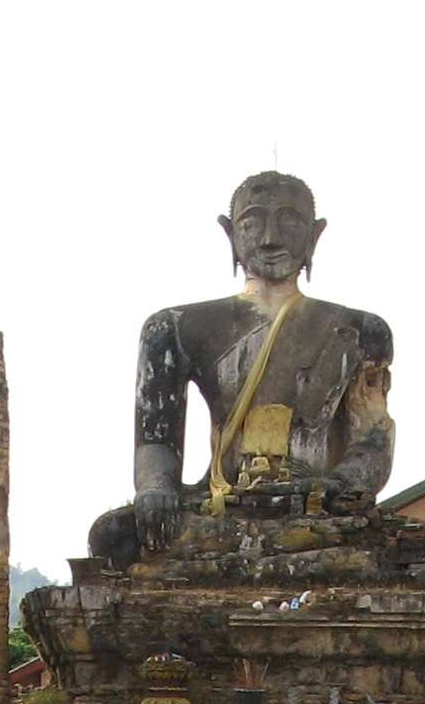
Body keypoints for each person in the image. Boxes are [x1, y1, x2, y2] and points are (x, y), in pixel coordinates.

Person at [84, 170, 395, 569]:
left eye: (289, 221)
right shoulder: (175, 327)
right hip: (224, 505)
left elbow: (372, 439)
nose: (270, 238)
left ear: (315, 235)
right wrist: (156, 490)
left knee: (401, 549)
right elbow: (156, 441)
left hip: (316, 509)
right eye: (252, 221)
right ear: (230, 233)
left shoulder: (361, 330)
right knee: (113, 535)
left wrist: (336, 487)